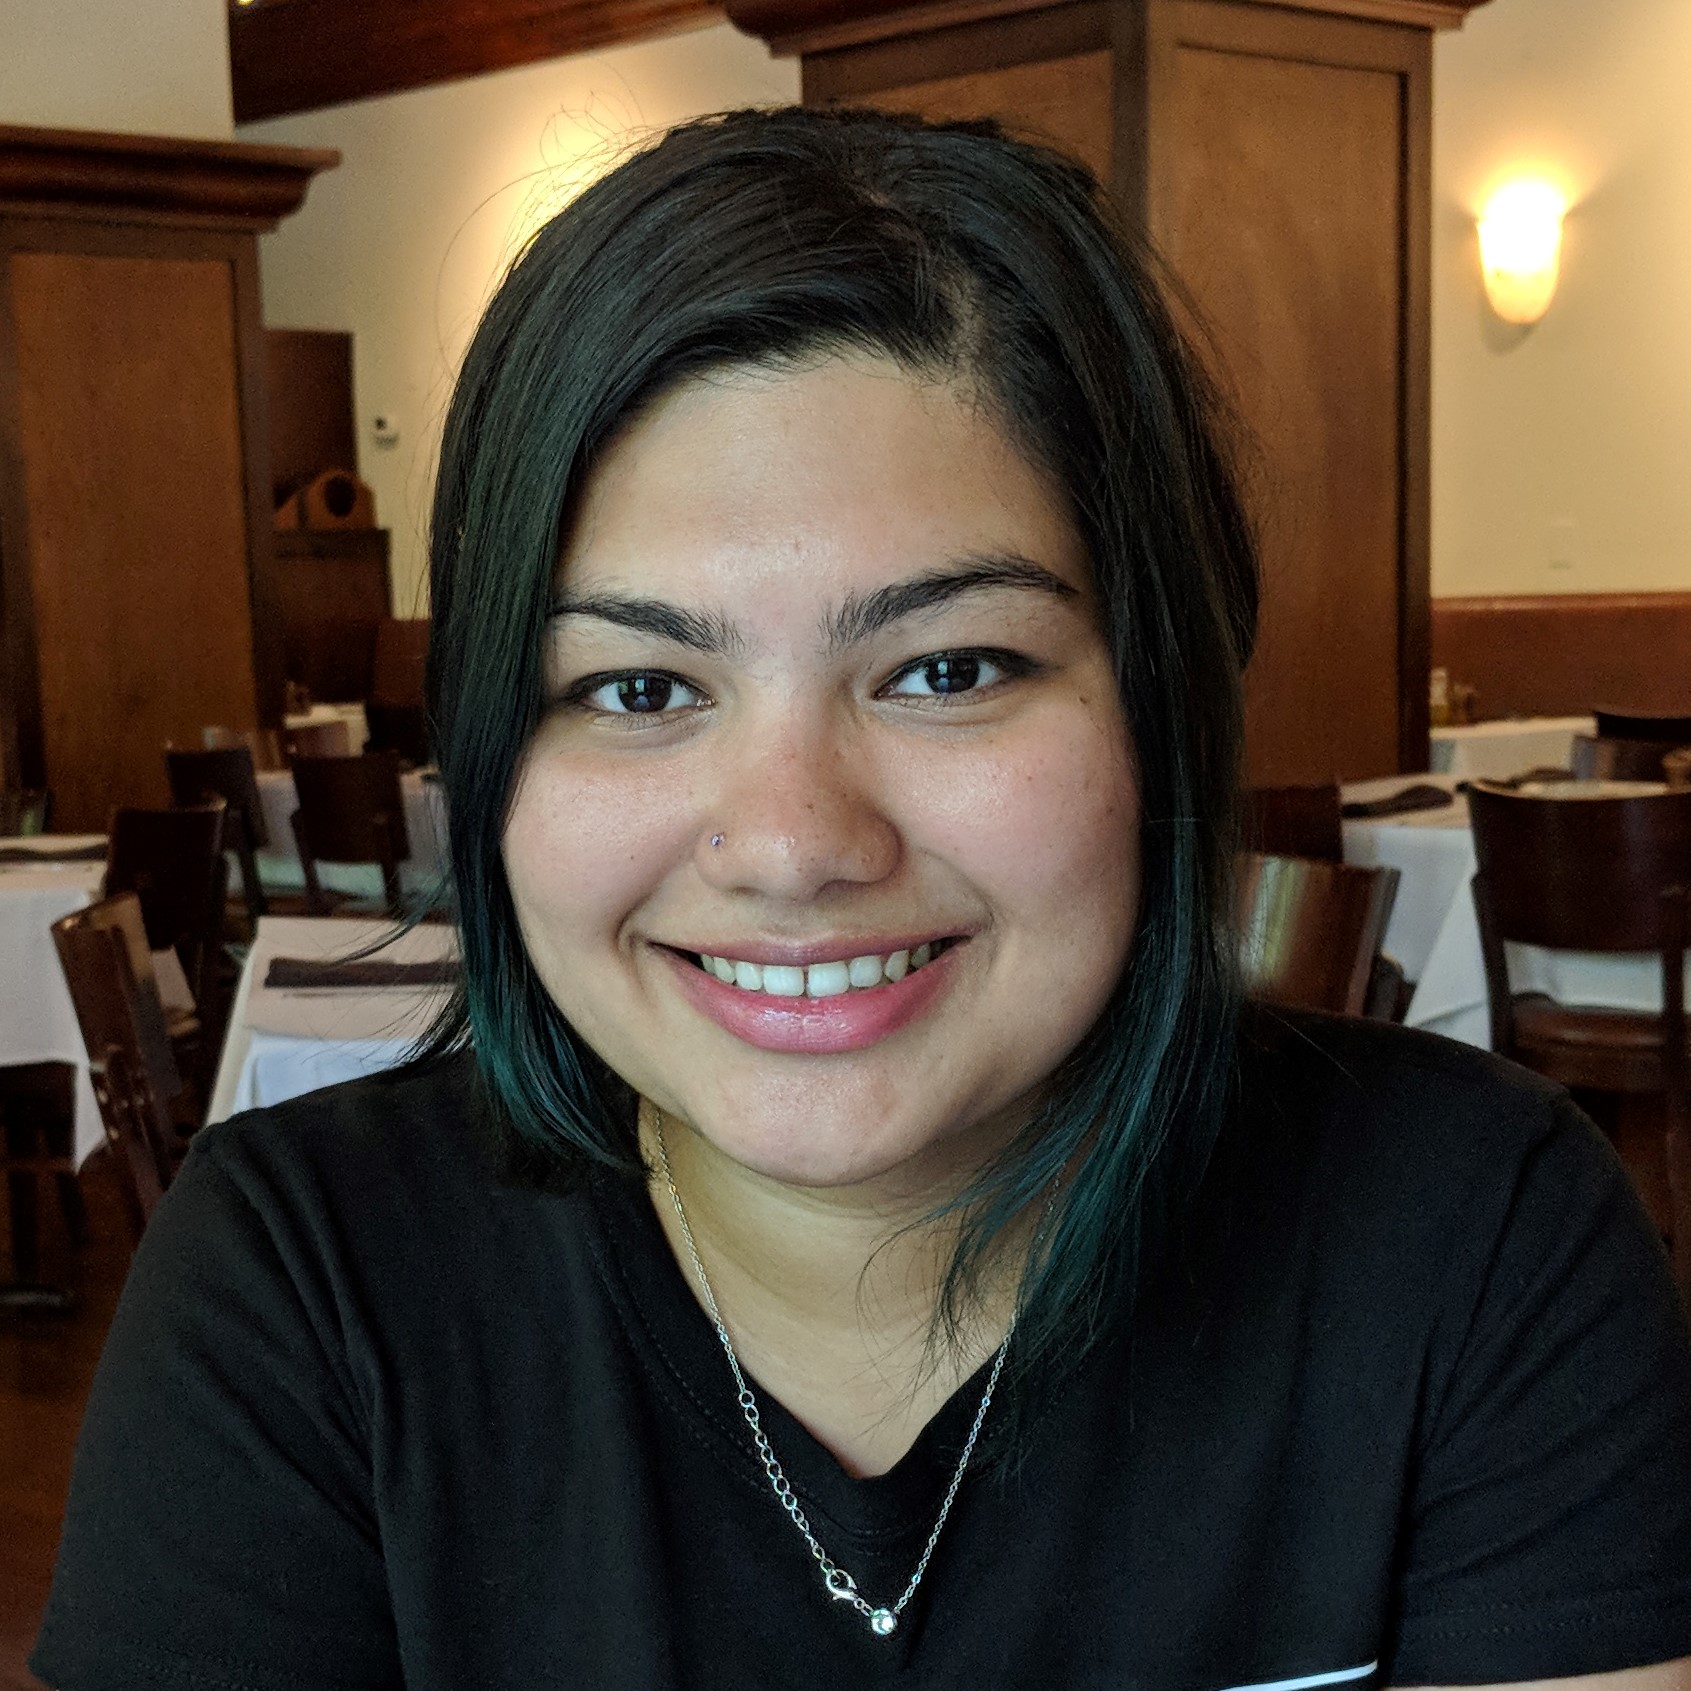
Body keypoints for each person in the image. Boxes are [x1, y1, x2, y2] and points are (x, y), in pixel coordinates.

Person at [32, 107, 1691, 1691]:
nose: (792, 841)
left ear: (1159, 706)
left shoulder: (1472, 1244)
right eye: (636, 688)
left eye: (947, 667)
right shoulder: (304, 1285)